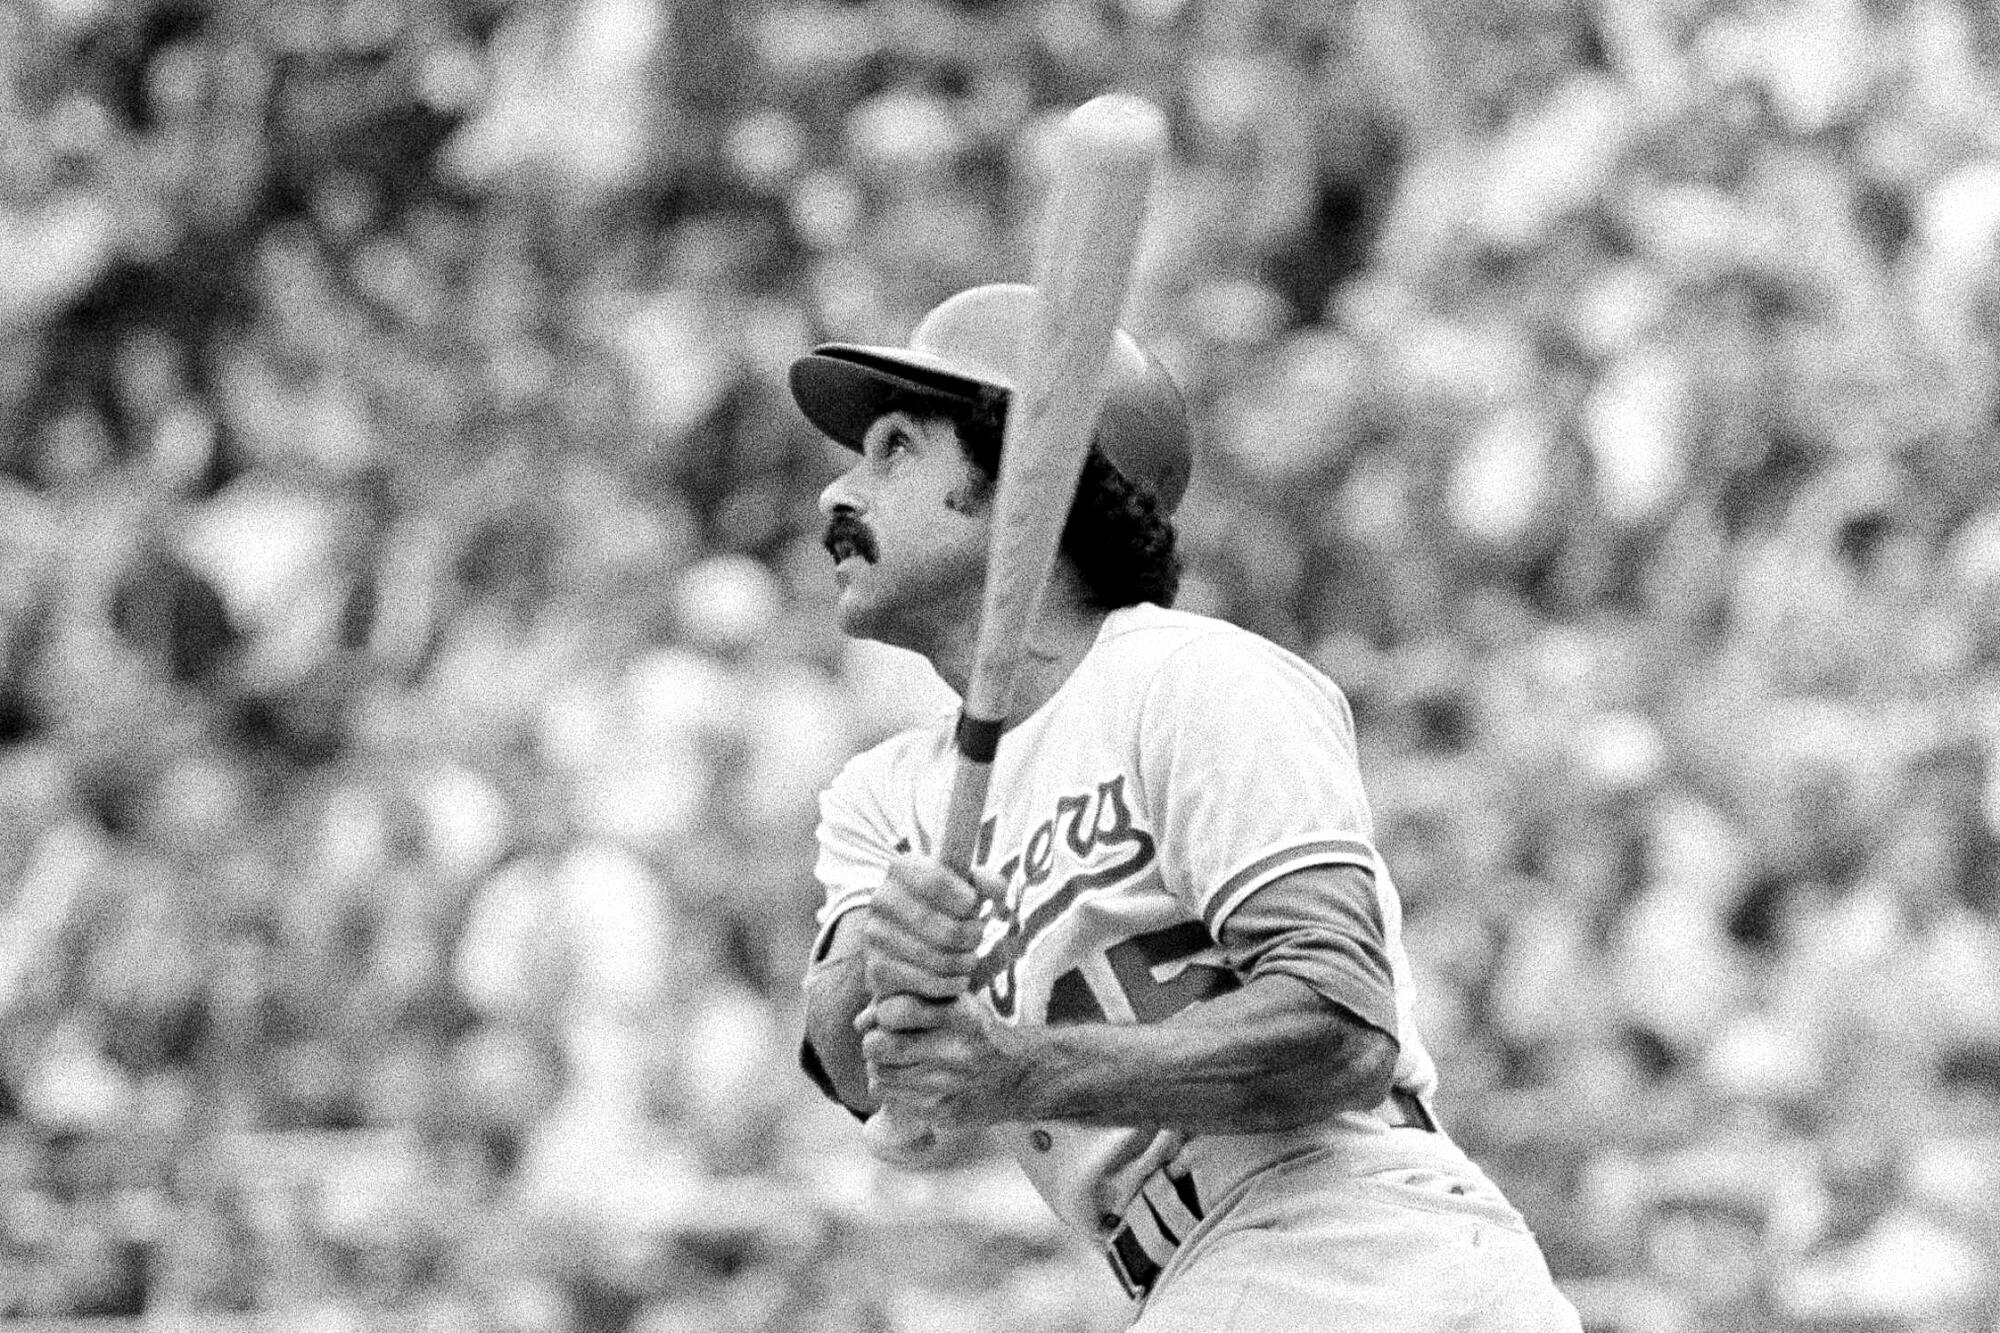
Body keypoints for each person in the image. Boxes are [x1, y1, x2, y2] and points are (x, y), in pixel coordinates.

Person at [789, 283, 1584, 1331]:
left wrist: (1016, 1068)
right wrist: (884, 965)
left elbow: (1339, 1028)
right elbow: (850, 1066)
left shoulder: (1193, 683)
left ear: (1029, 478)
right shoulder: (880, 792)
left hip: (1350, 1245)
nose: (834, 496)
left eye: (894, 448)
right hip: (1200, 1274)